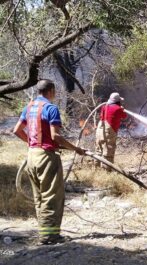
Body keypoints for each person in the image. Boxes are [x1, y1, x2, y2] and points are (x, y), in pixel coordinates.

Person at [13, 79, 85, 245]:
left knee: (39, 197)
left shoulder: (28, 107)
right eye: (55, 91)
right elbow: (56, 137)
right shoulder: (51, 108)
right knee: (52, 197)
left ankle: (44, 233)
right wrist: (76, 149)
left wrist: (32, 143)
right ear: (51, 90)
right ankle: (49, 236)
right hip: (46, 157)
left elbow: (17, 130)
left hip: (32, 155)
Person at [95, 92, 127, 168]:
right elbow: (124, 116)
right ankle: (106, 172)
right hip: (108, 132)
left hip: (100, 130)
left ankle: (96, 168)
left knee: (98, 150)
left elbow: (102, 116)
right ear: (118, 101)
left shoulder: (104, 106)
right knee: (108, 151)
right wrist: (122, 109)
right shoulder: (118, 109)